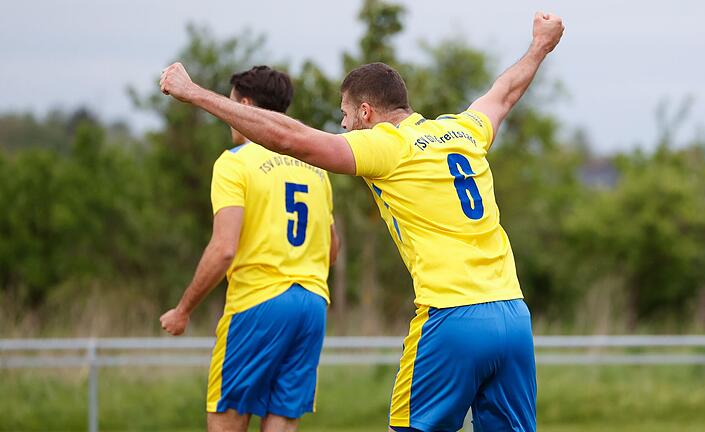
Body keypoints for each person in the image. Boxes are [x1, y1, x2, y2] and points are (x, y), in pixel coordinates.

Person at [160, 12, 564, 432]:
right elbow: (505, 93)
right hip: (514, 317)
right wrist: (540, 46)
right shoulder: (464, 129)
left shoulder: (385, 146)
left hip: (452, 318)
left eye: (345, 115)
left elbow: (290, 139)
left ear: (367, 111)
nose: (343, 125)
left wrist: (196, 94)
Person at [159, 65, 339, 432]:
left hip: (259, 302)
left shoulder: (234, 163)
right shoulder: (315, 168)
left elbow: (224, 248)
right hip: (312, 305)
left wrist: (183, 309)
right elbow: (332, 247)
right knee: (283, 419)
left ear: (243, 104)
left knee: (227, 416)